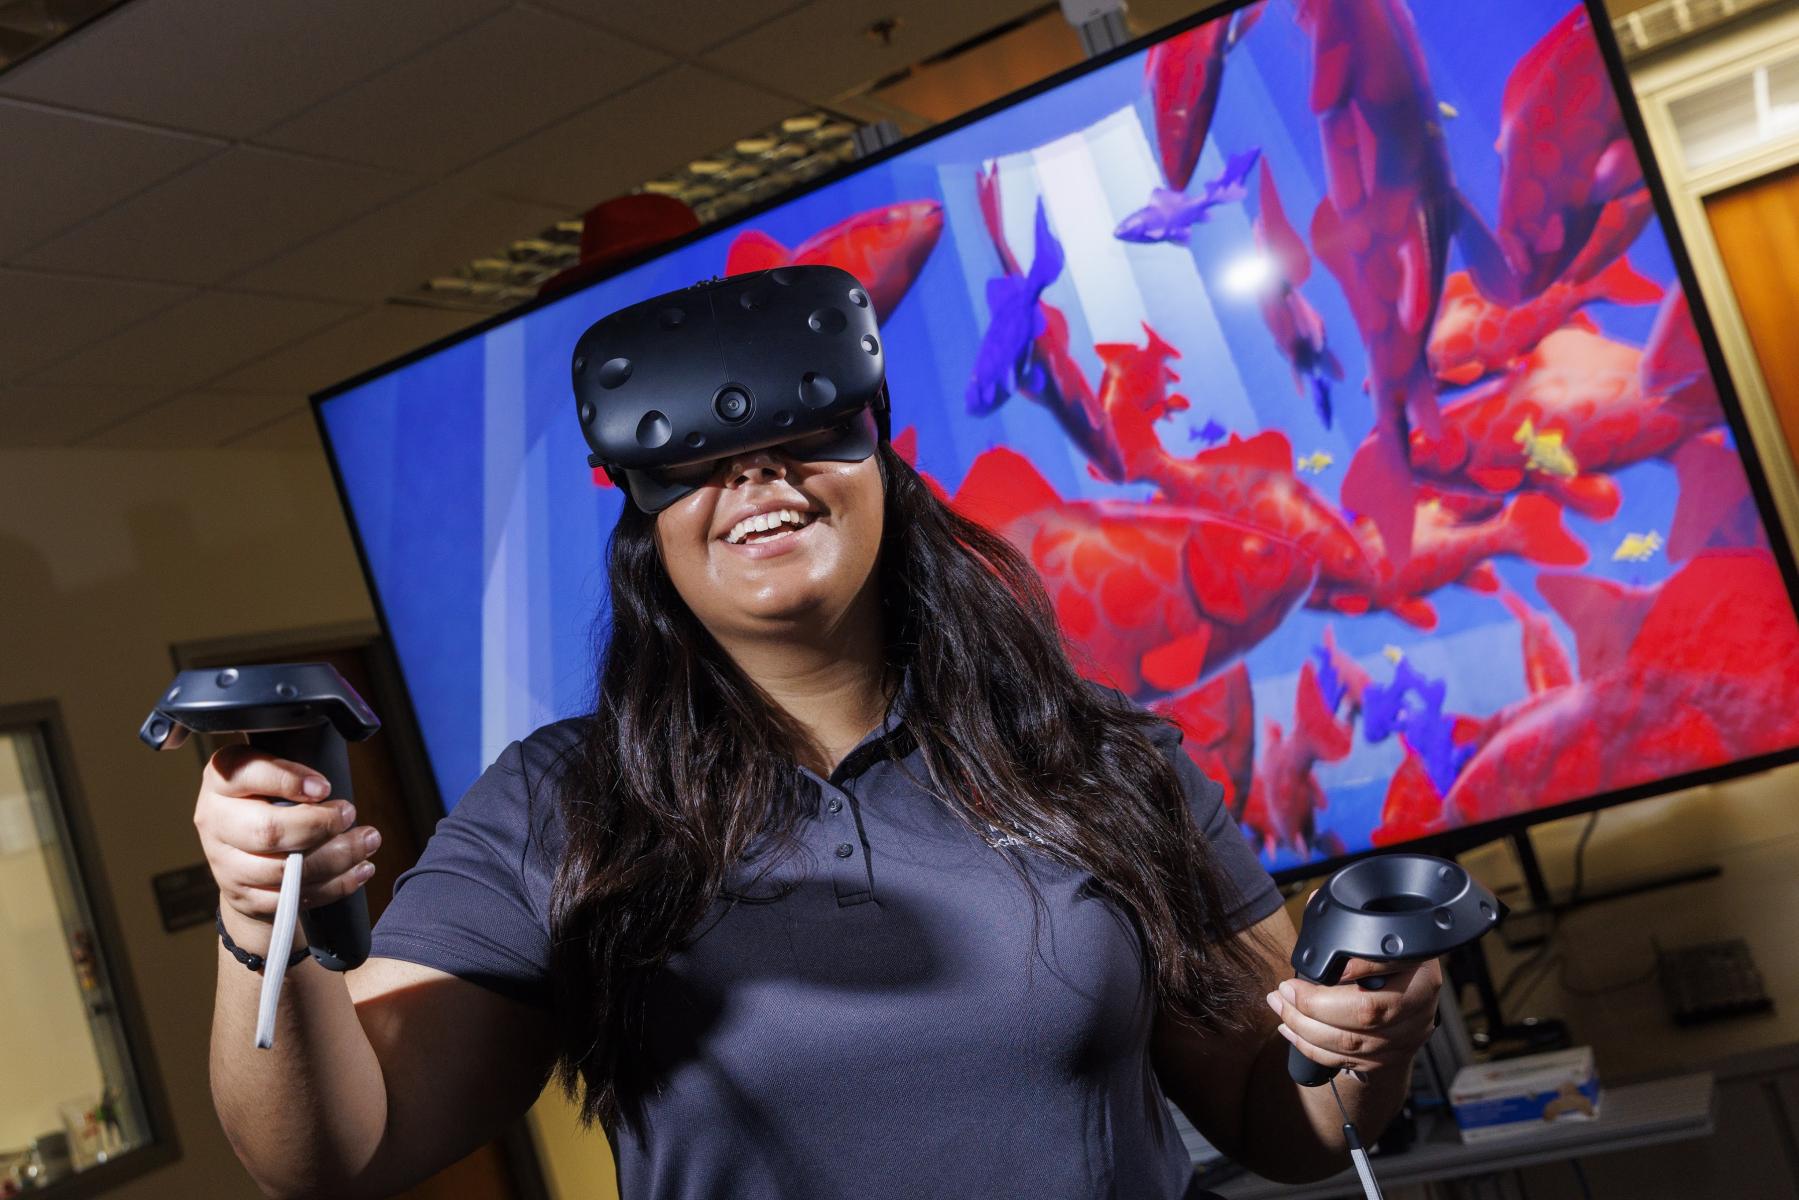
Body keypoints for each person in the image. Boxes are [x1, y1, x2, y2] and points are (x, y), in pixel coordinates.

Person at [195, 395, 1442, 1200]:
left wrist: (1364, 1046)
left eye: (798, 427)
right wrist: (264, 927)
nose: (753, 471)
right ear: (649, 524)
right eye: (694, 455)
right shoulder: (557, 803)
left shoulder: (1102, 759)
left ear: (879, 472)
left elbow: (1280, 1120)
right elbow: (330, 1150)